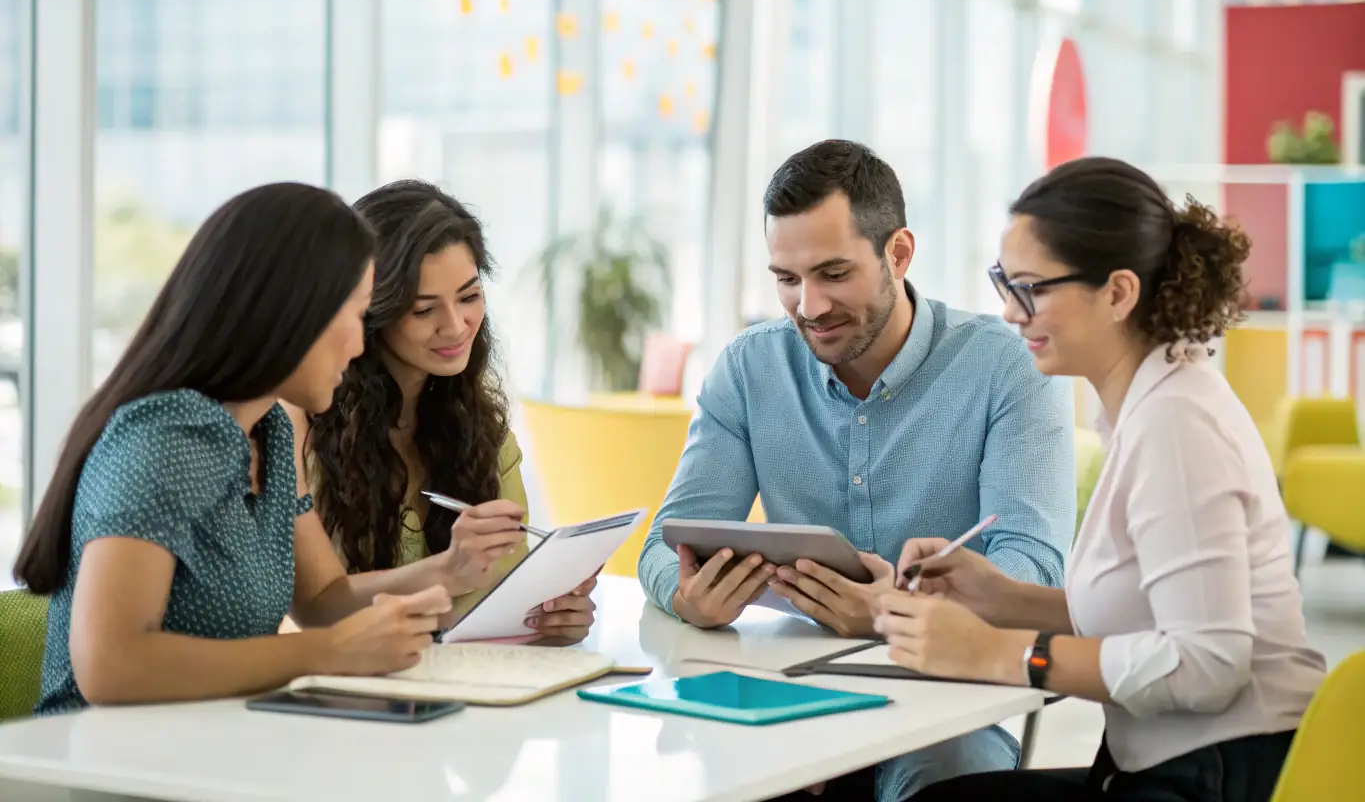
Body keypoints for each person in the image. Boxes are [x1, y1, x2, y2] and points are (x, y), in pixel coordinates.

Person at [874, 157, 1327, 801]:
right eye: (1004, 281)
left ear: (1117, 293)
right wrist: (998, 598)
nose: (1008, 311)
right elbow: (1149, 611)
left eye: (1030, 287)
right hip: (1175, 765)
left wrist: (999, 653)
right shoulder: (1148, 402)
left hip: (1224, 774)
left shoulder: (1174, 424)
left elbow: (1205, 667)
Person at [637, 140, 1077, 801]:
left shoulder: (1006, 369)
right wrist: (686, 594)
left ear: (898, 253)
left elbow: (1036, 567)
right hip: (786, 689)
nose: (809, 306)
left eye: (833, 274)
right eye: (787, 279)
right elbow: (662, 547)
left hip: (944, 695)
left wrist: (900, 611)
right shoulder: (749, 369)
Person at [16, 183, 455, 714]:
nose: (362, 344)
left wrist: (441, 580)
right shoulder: (166, 437)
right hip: (113, 774)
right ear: (294, 312)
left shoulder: (269, 431)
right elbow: (110, 664)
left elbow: (323, 600)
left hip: (218, 754)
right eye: (357, 315)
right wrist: (329, 652)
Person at [302, 180, 596, 640]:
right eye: (424, 311)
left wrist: (550, 616)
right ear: (370, 312)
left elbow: (503, 594)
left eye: (469, 296)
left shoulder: (480, 423)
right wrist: (449, 573)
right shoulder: (304, 421)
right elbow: (314, 608)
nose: (457, 326)